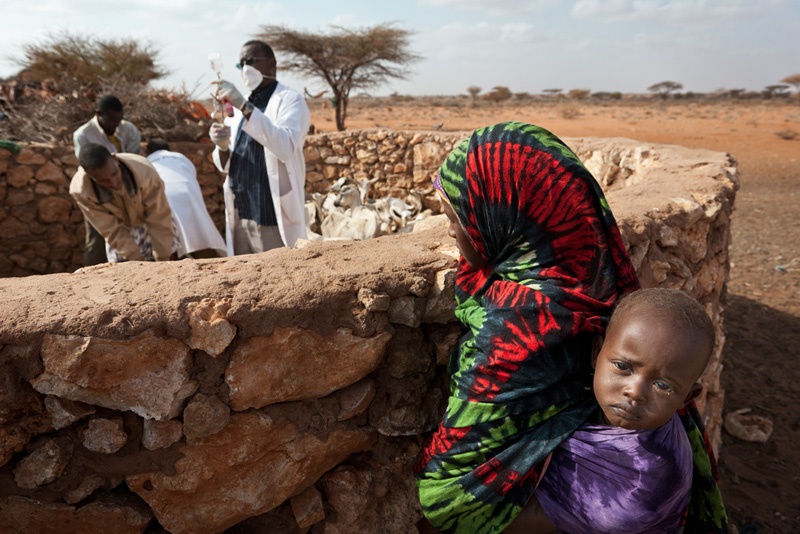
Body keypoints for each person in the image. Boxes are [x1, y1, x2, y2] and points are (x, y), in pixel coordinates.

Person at [414, 122, 727, 534]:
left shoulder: (515, 325)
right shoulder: (603, 271)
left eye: (460, 217)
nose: (452, 231)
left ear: (501, 213)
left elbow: (447, 498)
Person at [510, 288, 720, 533]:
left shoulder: (638, 487)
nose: (635, 392)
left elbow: (514, 522)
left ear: (686, 398)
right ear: (597, 352)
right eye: (623, 366)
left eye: (663, 386)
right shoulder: (572, 395)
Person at [208, 39, 311, 255]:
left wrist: (244, 107)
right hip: (240, 214)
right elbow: (226, 167)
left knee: (278, 281)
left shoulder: (290, 100)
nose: (246, 69)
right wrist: (223, 146)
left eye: (251, 61)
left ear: (272, 64)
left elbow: (285, 147)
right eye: (241, 64)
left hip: (270, 216)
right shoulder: (240, 105)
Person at [70, 143, 177, 263]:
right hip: (123, 228)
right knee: (122, 266)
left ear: (115, 160)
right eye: (104, 181)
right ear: (90, 176)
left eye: (115, 173)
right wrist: (138, 262)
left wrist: (162, 259)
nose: (114, 182)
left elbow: (159, 217)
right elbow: (111, 230)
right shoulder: (81, 191)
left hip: (149, 220)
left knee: (168, 251)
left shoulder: (145, 172)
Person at [73, 94, 142, 265]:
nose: (115, 124)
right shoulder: (83, 135)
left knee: (136, 229)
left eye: (118, 120)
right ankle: (91, 276)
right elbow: (89, 168)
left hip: (125, 187)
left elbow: (133, 161)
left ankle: (139, 268)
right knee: (98, 236)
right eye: (111, 119)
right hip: (97, 191)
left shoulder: (129, 130)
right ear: (98, 114)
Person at [146, 139, 227, 259]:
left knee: (175, 236)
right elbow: (191, 174)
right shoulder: (180, 157)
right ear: (169, 149)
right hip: (188, 192)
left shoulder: (148, 161)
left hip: (166, 194)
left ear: (148, 151)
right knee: (199, 228)